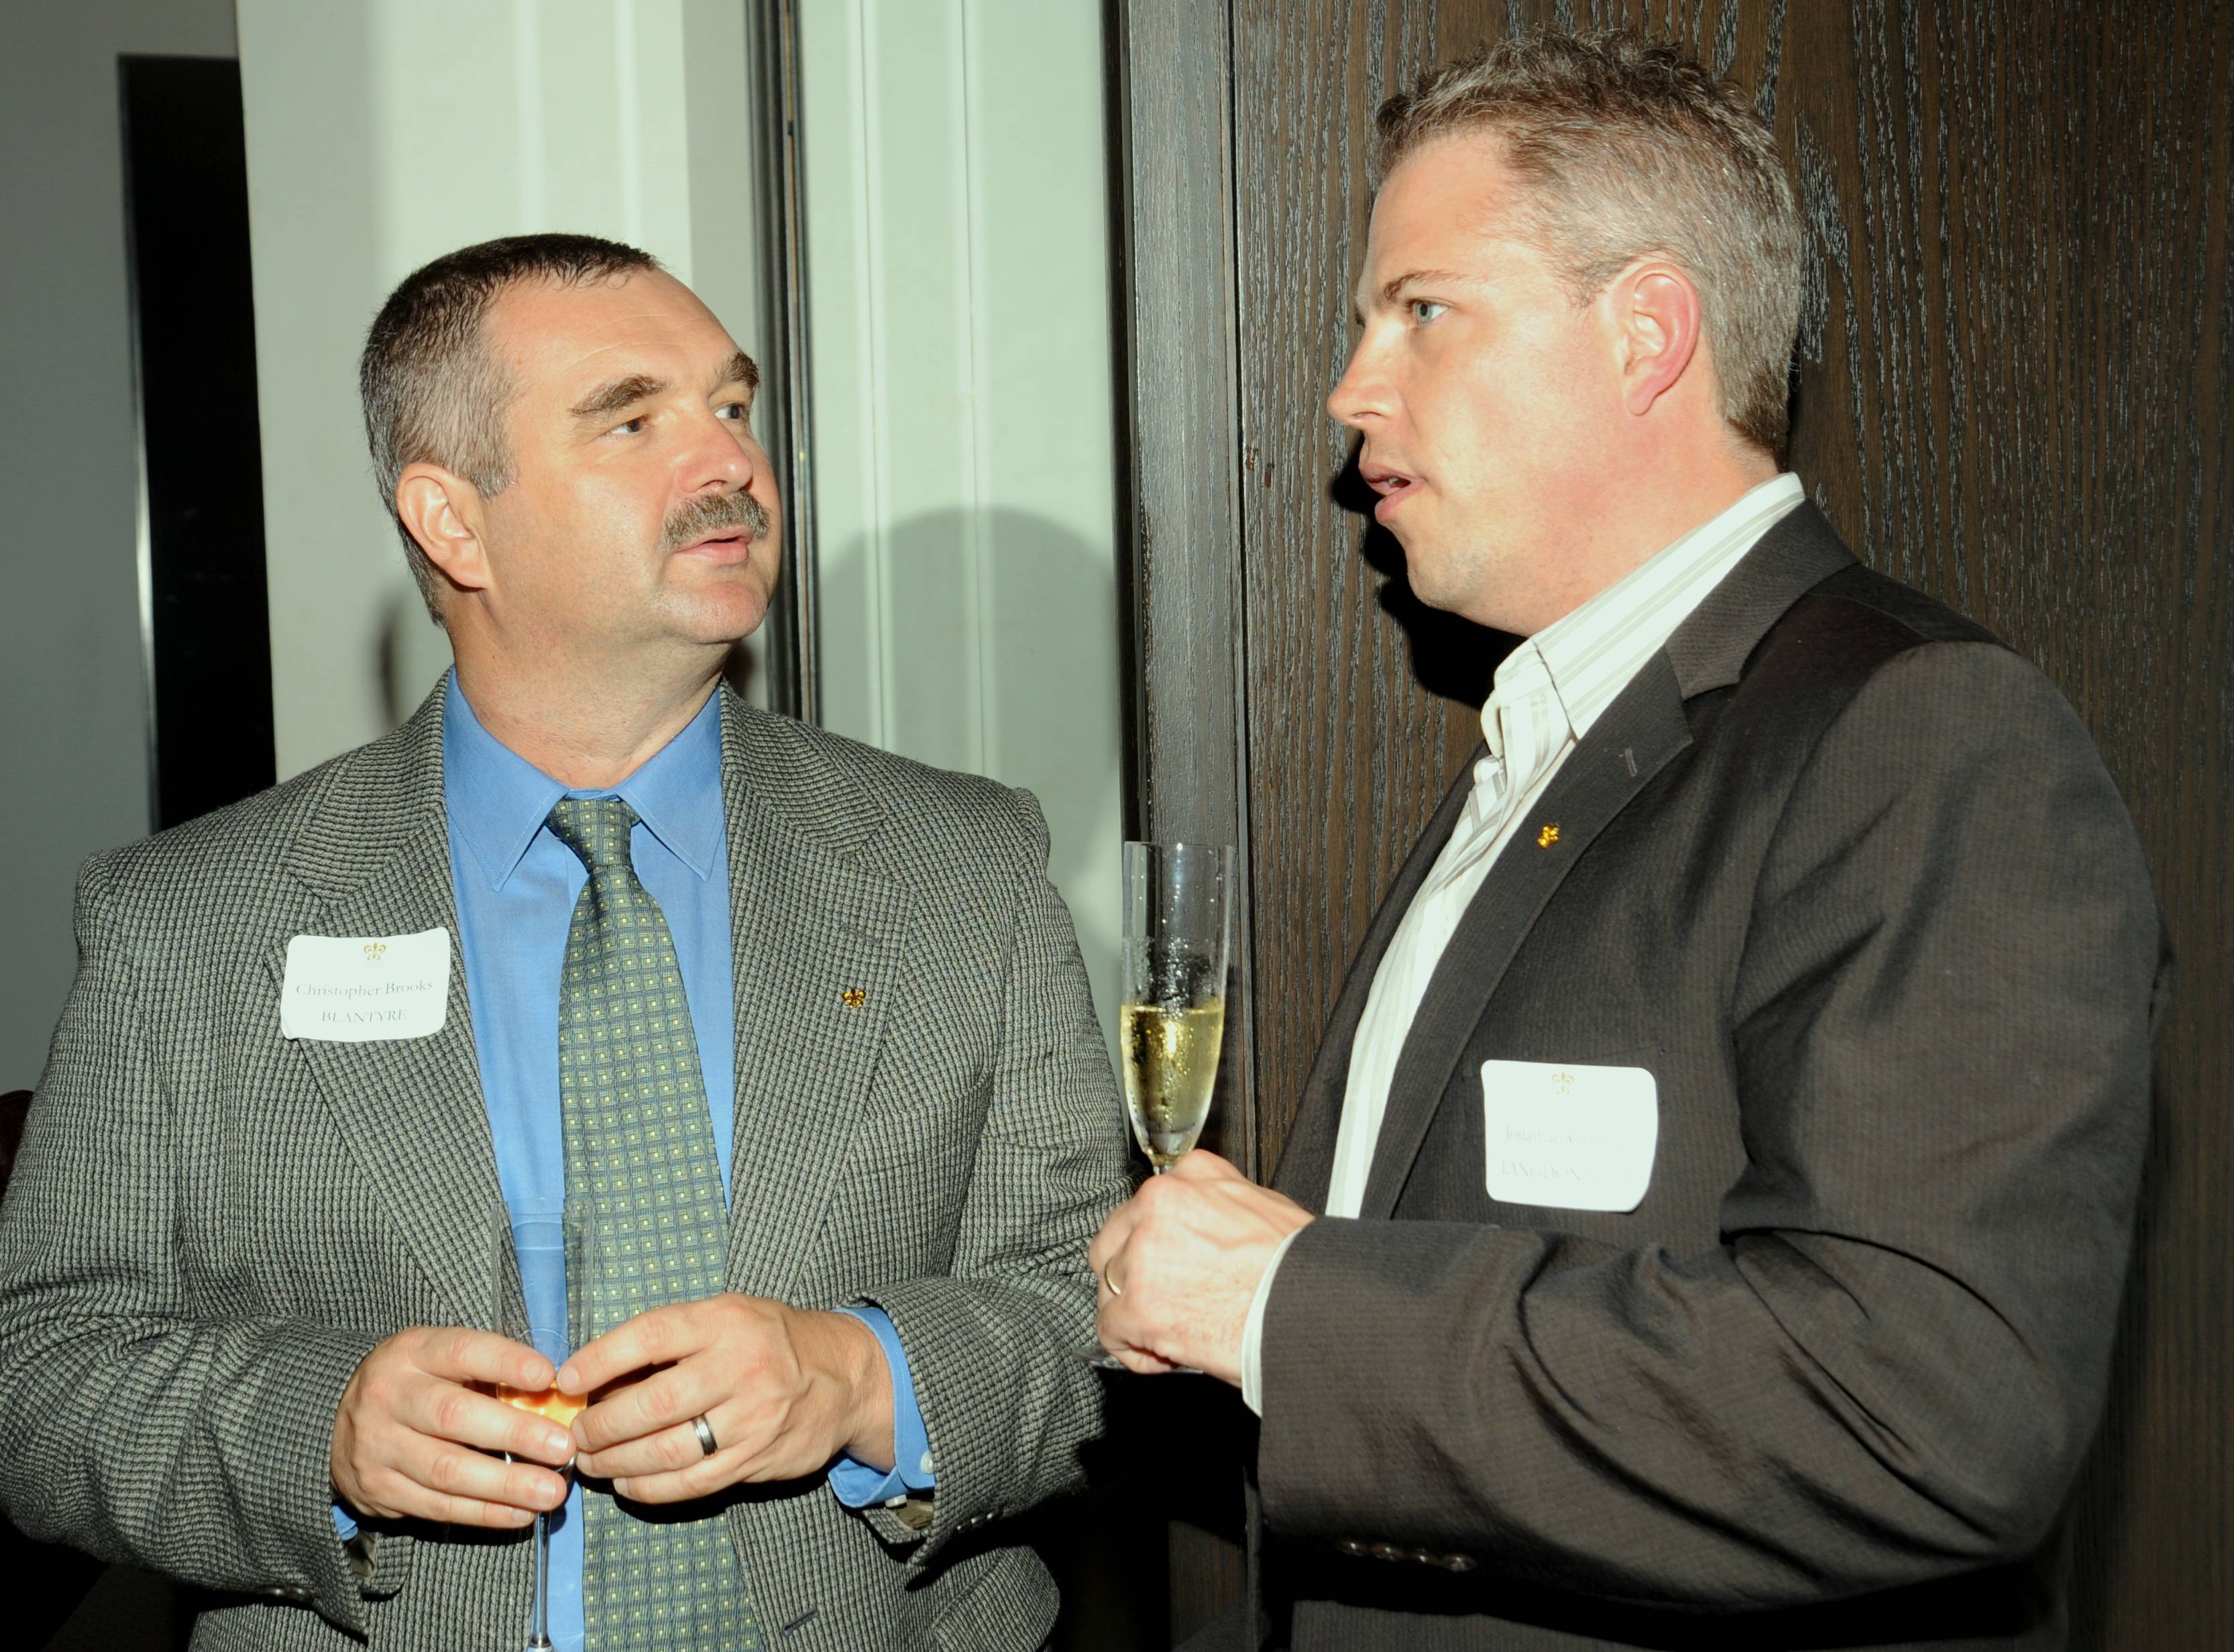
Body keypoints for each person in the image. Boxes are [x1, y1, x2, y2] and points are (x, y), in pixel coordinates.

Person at [1091, 30, 2162, 1652]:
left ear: (1645, 330)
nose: (1350, 390)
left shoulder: (1923, 735)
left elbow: (1931, 1413)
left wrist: (1288, 1305)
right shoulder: (1548, 742)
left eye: (1422, 310)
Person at [0, 233, 1128, 1652]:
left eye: (732, 405)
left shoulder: (963, 866)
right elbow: (41, 1377)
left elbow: (1093, 1317)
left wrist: (863, 1380)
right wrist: (325, 1431)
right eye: (634, 418)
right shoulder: (192, 920)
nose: (727, 462)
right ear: (450, 520)